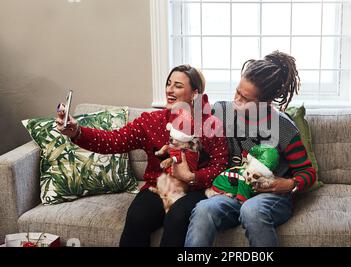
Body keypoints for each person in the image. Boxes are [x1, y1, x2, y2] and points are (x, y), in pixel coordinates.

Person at [55, 65, 228, 247]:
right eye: (168, 84)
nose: (169, 89)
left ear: (194, 94)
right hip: (158, 187)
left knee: (177, 219)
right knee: (138, 217)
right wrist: (77, 132)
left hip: (195, 191)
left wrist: (192, 177)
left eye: (177, 85)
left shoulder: (211, 125)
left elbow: (220, 165)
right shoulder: (151, 122)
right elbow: (113, 141)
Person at [185, 51, 317, 247]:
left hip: (269, 197)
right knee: (204, 209)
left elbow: (308, 172)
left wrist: (287, 184)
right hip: (233, 193)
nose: (237, 100)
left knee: (251, 210)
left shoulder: (283, 127)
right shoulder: (222, 112)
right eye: (237, 91)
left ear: (265, 103)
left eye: (245, 98)